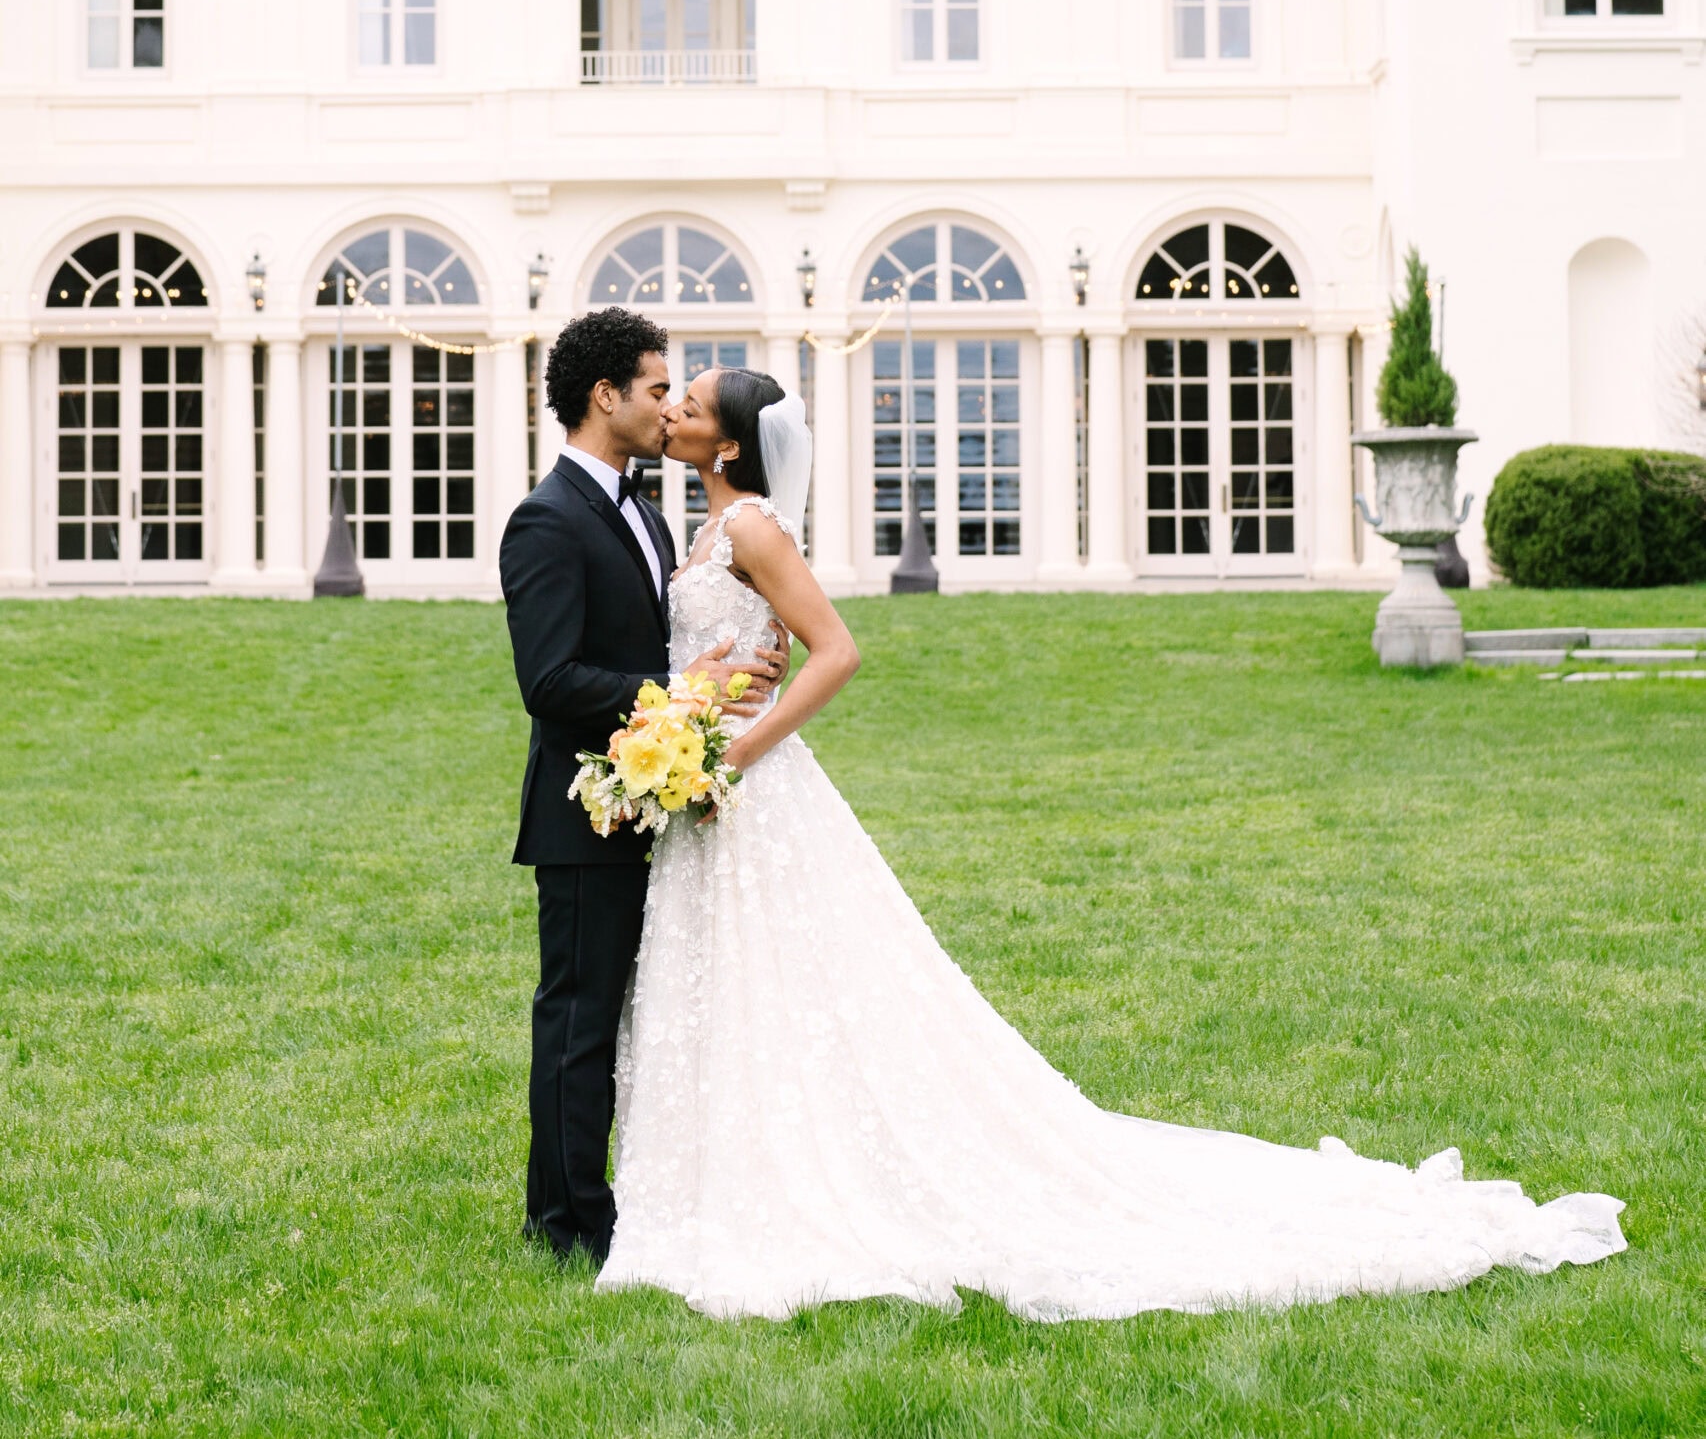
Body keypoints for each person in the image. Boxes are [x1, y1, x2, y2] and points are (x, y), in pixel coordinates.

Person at [597, 366, 1627, 1321]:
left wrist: (738, 751)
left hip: (745, 783)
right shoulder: (704, 527)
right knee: (745, 983)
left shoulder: (755, 529)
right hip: (702, 776)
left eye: (688, 404)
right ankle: (733, 1169)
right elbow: (722, 649)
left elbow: (837, 651)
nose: (673, 413)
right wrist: (687, 719)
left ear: (728, 444)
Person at [498, 309, 786, 1264]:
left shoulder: (650, 512)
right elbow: (548, 682)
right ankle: (565, 1226)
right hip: (581, 810)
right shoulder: (545, 519)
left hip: (652, 801)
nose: (669, 410)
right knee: (578, 1022)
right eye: (659, 390)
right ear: (604, 396)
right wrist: (676, 693)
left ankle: (611, 1204)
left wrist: (735, 670)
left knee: (626, 1021)